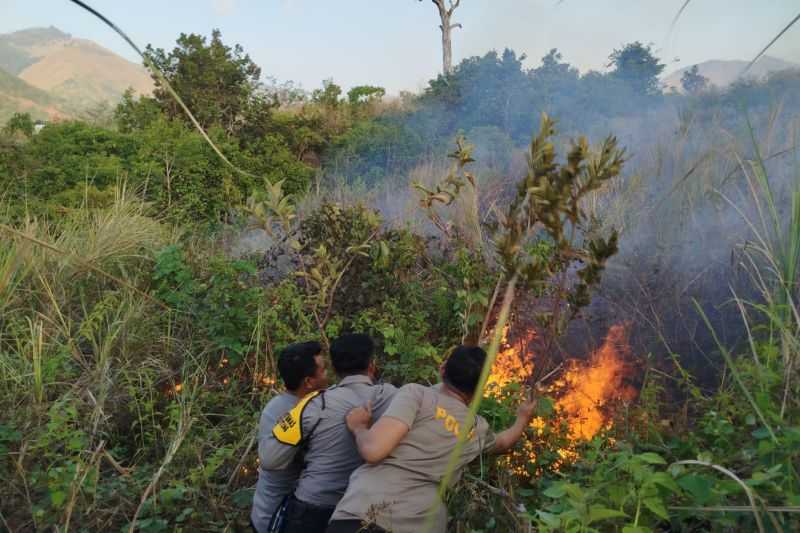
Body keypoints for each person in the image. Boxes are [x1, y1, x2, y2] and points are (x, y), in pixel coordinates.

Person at [326, 345, 538, 533]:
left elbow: (373, 450)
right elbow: (503, 443)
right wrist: (522, 418)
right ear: (479, 389)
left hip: (364, 513)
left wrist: (360, 428)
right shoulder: (477, 428)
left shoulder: (417, 394)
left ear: (443, 369)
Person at [260, 333, 397, 533]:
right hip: (362, 510)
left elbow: (270, 459)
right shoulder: (395, 398)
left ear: (334, 368)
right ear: (372, 365)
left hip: (311, 508)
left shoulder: (315, 404)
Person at [251, 341, 329, 533]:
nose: (328, 375)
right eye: (324, 370)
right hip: (277, 519)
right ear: (309, 382)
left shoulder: (281, 405)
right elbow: (270, 459)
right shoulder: (287, 412)